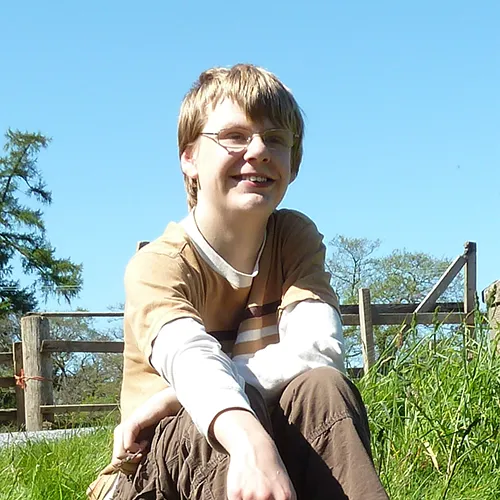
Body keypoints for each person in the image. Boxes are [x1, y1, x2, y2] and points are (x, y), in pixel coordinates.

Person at [88, 63, 388, 500]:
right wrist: (247, 439)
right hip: (160, 470)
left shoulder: (293, 239)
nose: (259, 150)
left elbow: (320, 349)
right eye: (234, 136)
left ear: (293, 162)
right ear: (189, 157)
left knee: (322, 387)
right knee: (203, 414)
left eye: (276, 139)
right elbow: (192, 362)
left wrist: (176, 396)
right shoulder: (158, 265)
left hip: (270, 451)